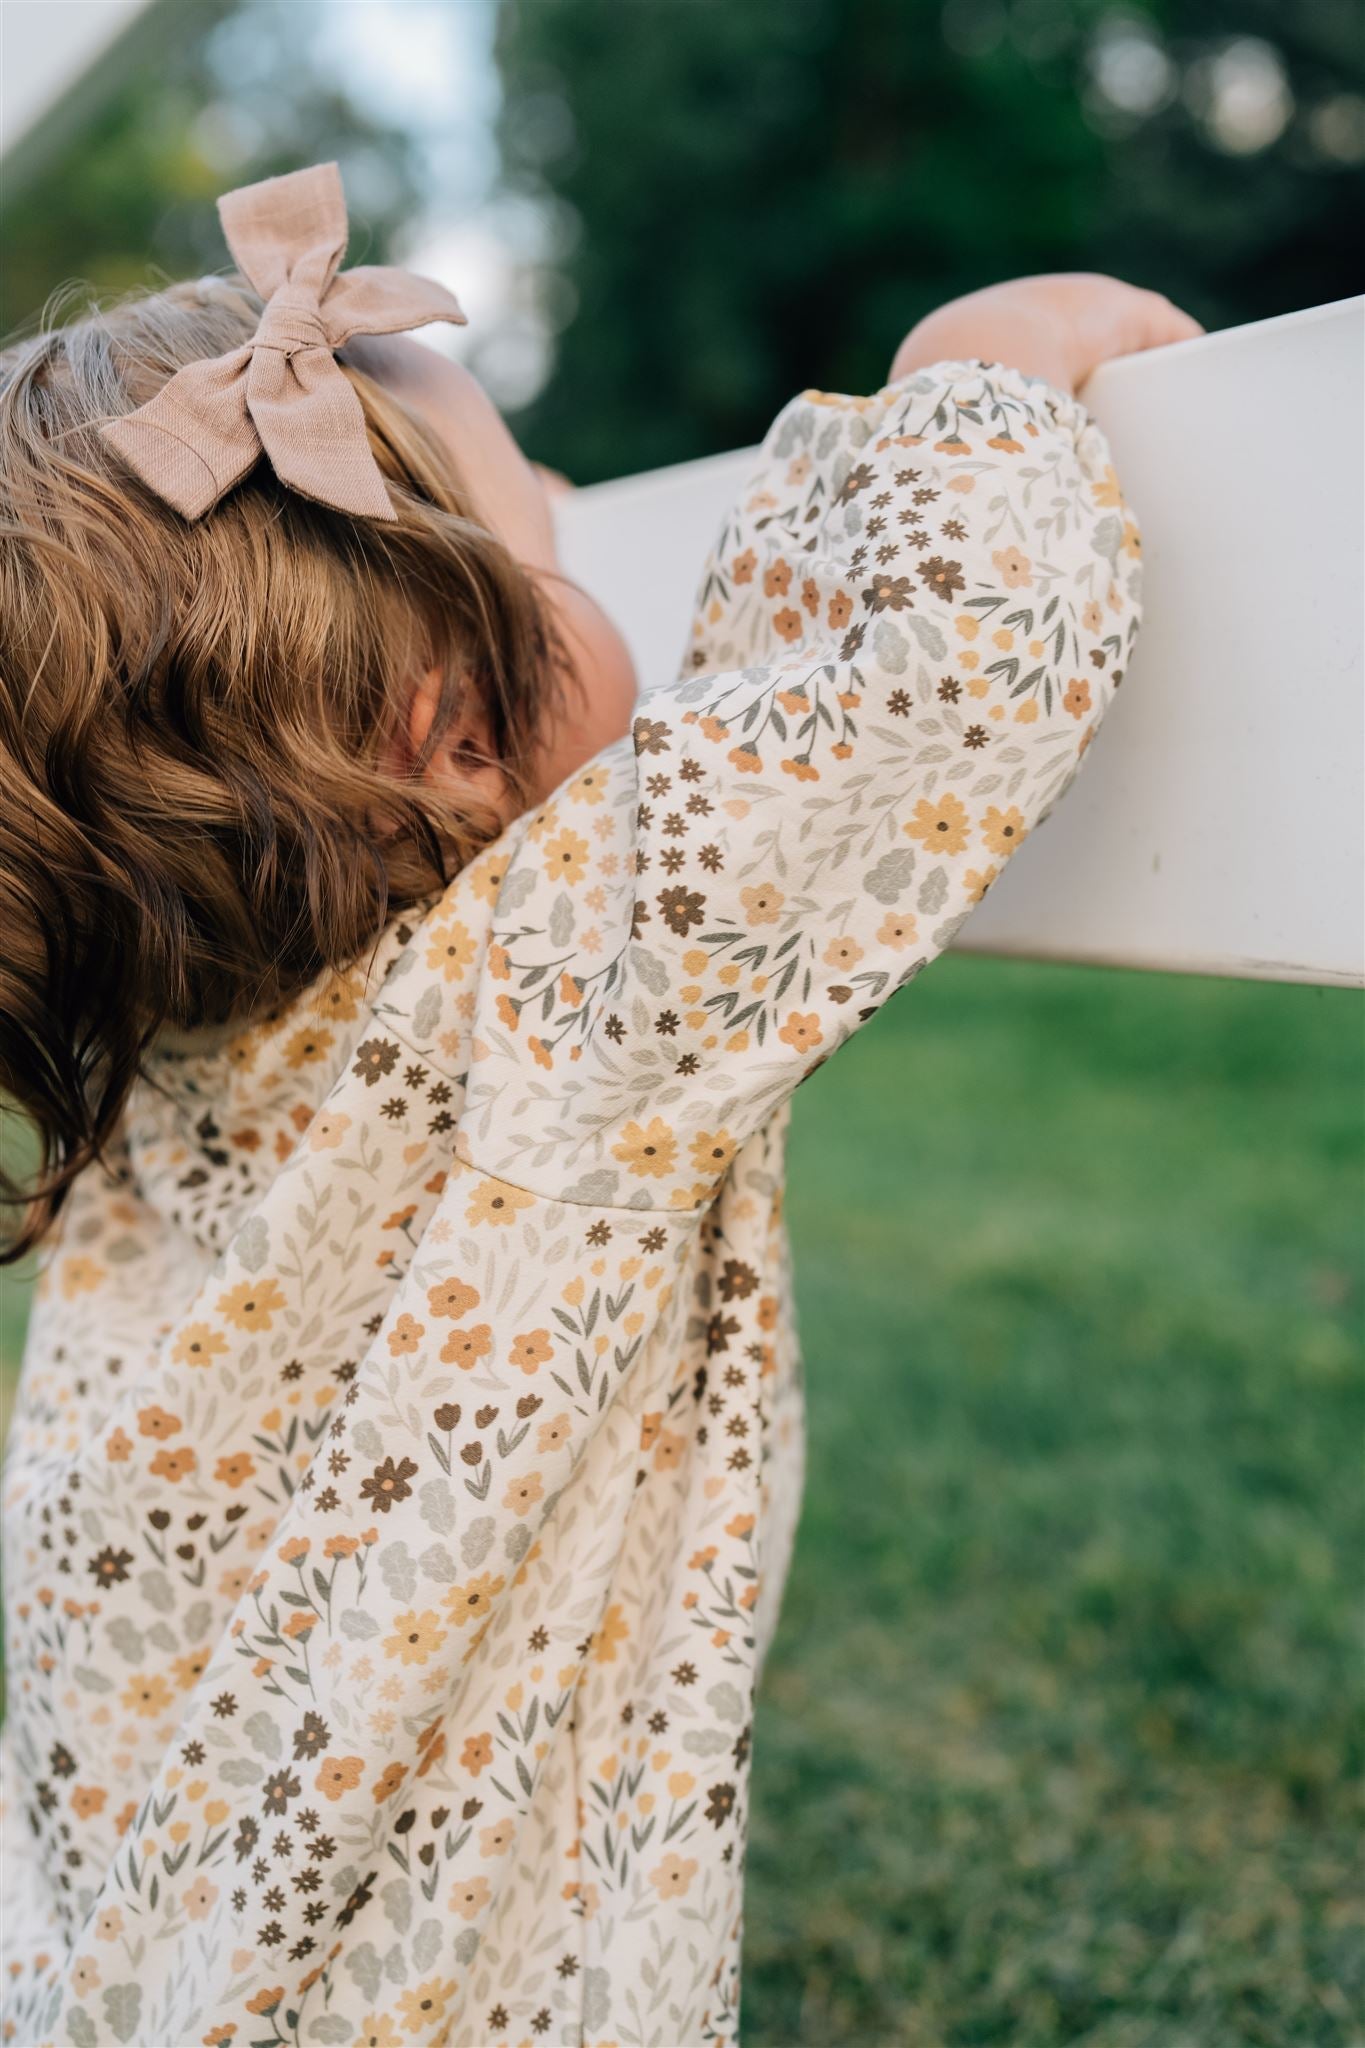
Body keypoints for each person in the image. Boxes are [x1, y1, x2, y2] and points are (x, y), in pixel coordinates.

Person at [0, 162, 1197, 2048]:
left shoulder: (195, 1067)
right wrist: (977, 371)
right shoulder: (560, 981)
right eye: (540, 530)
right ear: (458, 740)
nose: (570, 518)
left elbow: (745, 709)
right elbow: (945, 666)